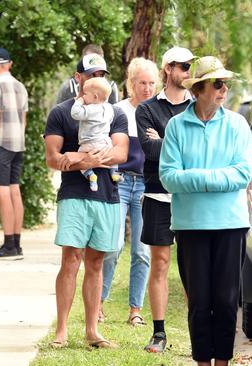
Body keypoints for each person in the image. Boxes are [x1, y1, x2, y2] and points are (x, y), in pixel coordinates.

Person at [159, 55, 252, 366]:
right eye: (218, 83)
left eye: (225, 83)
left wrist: (195, 177)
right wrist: (215, 177)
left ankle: (223, 362)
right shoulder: (175, 126)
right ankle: (202, 362)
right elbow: (169, 177)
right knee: (199, 302)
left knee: (226, 302)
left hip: (231, 224)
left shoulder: (238, 124)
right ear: (199, 89)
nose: (224, 88)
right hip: (190, 225)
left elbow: (242, 175)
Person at [44, 54, 128, 349]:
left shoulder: (115, 112)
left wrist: (79, 158)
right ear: (78, 77)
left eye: (102, 74)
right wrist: (80, 161)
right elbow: (53, 159)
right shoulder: (61, 113)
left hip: (107, 196)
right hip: (74, 196)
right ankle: (62, 331)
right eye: (92, 73)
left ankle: (92, 332)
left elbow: (121, 153)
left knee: (96, 263)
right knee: (71, 260)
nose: (97, 78)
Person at [135, 46, 195, 353]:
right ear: (167, 69)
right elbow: (150, 151)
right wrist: (180, 144)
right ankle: (158, 333)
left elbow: (198, 153)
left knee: (191, 267)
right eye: (183, 66)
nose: (188, 71)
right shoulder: (146, 109)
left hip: (189, 197)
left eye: (190, 66)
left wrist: (165, 140)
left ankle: (196, 332)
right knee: (159, 263)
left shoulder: (198, 106)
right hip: (158, 195)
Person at [100, 57, 158, 326]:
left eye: (151, 83)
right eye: (142, 83)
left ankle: (135, 310)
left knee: (142, 251)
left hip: (146, 186)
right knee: (111, 247)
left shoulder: (157, 111)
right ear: (131, 83)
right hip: (119, 181)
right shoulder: (116, 111)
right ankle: (98, 303)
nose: (147, 88)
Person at [0, 48, 28, 259]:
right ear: (9, 64)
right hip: (18, 143)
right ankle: (16, 243)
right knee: (14, 190)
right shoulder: (20, 86)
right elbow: (24, 119)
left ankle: (8, 243)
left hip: (1, 144)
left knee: (2, 192)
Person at [71, 76, 121, 191]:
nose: (83, 95)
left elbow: (75, 113)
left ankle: (90, 175)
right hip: (104, 143)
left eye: (85, 94)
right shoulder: (109, 109)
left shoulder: (90, 109)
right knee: (112, 152)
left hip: (88, 144)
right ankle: (114, 172)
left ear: (95, 97)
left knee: (79, 157)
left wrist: (79, 101)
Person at [55, 44, 119, 105]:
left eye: (98, 60)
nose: (95, 63)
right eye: (91, 60)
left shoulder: (111, 86)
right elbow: (59, 111)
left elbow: (115, 112)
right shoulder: (68, 86)